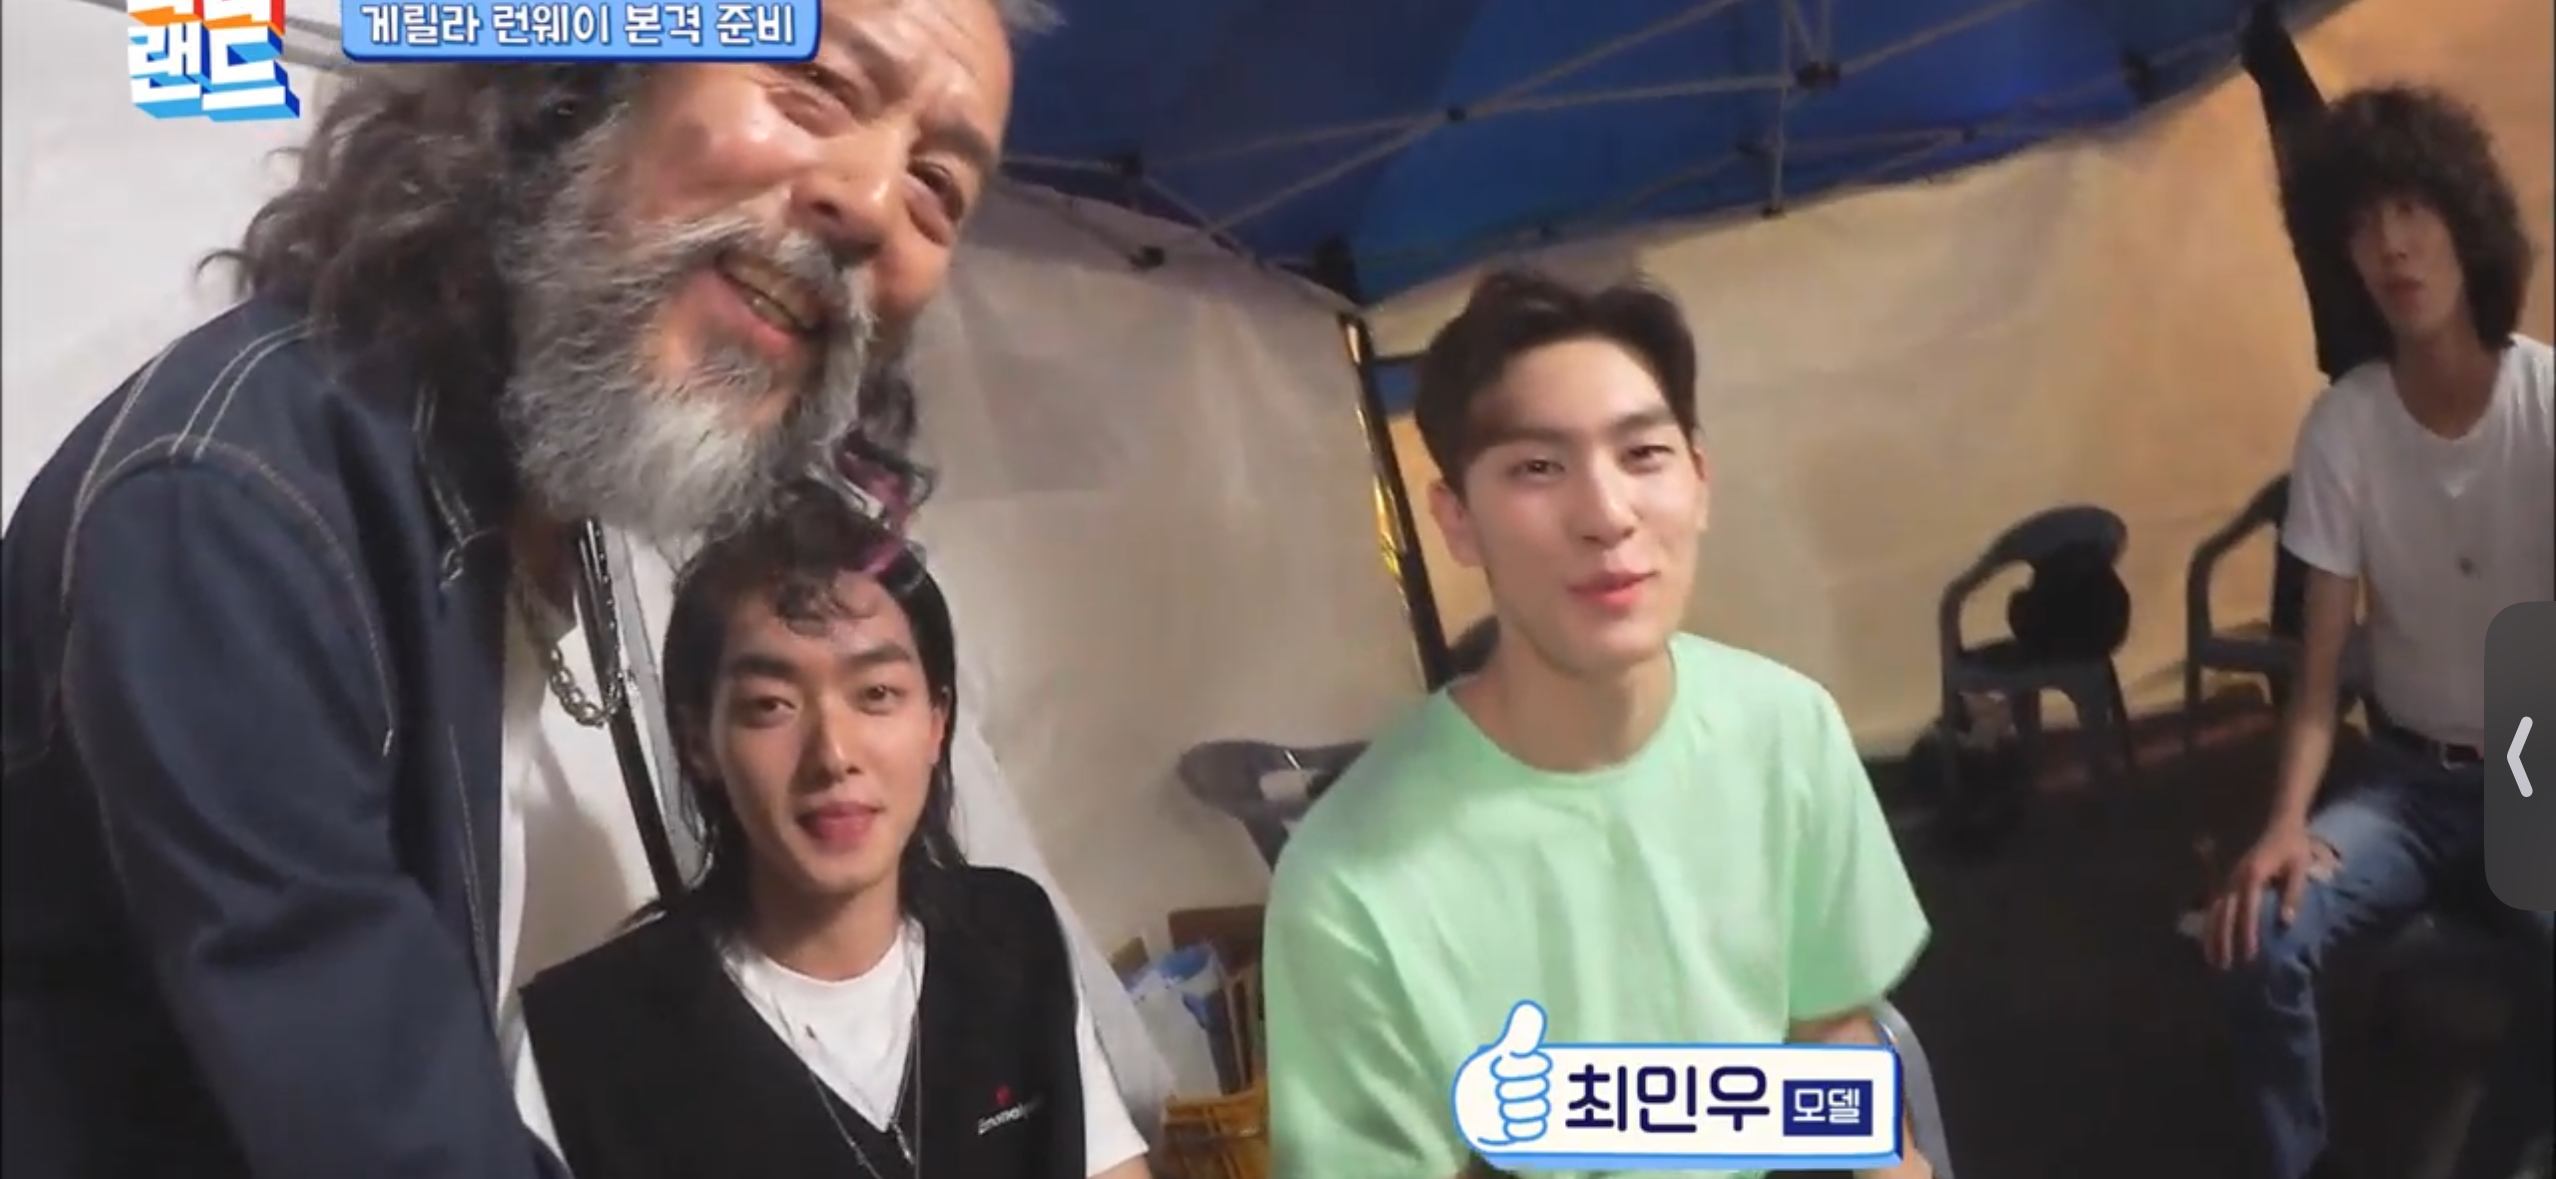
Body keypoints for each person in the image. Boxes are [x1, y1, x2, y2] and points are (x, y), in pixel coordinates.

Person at [0, 2, 1046, 1175]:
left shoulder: (530, 494)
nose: (870, 201)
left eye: (937, 188)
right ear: (588, 76)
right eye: (815, 86)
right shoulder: (233, 511)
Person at [1259, 269, 1934, 1179]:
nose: (1607, 515)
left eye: (1643, 453)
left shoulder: (1786, 731)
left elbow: (1832, 1033)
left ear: (1700, 480)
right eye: (1538, 468)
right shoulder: (1348, 886)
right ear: (1457, 520)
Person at [514, 473, 1151, 1179]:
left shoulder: (1011, 941)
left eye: (876, 694)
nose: (834, 754)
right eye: (771, 704)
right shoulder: (580, 1046)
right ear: (699, 743)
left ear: (936, 723)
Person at [2200, 84, 2553, 1179]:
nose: (2390, 245)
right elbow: (2317, 681)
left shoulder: (2546, 403)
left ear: (2464, 223)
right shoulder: (2344, 426)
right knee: (2257, 935)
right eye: (2361, 224)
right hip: (2402, 782)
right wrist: (2284, 824)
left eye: (2411, 210)